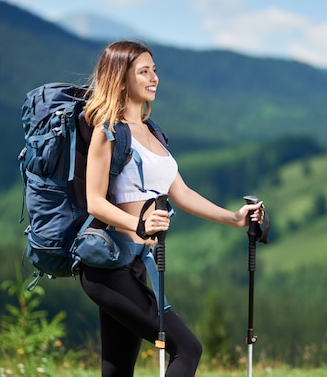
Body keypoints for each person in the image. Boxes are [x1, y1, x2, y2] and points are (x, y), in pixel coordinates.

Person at [80, 40, 265, 377]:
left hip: (135, 266)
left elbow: (181, 192)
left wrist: (234, 219)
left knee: (118, 369)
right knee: (188, 348)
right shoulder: (107, 132)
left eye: (155, 70)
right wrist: (139, 222)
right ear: (121, 78)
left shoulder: (152, 132)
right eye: (144, 72)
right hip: (107, 267)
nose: (155, 78)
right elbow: (95, 201)